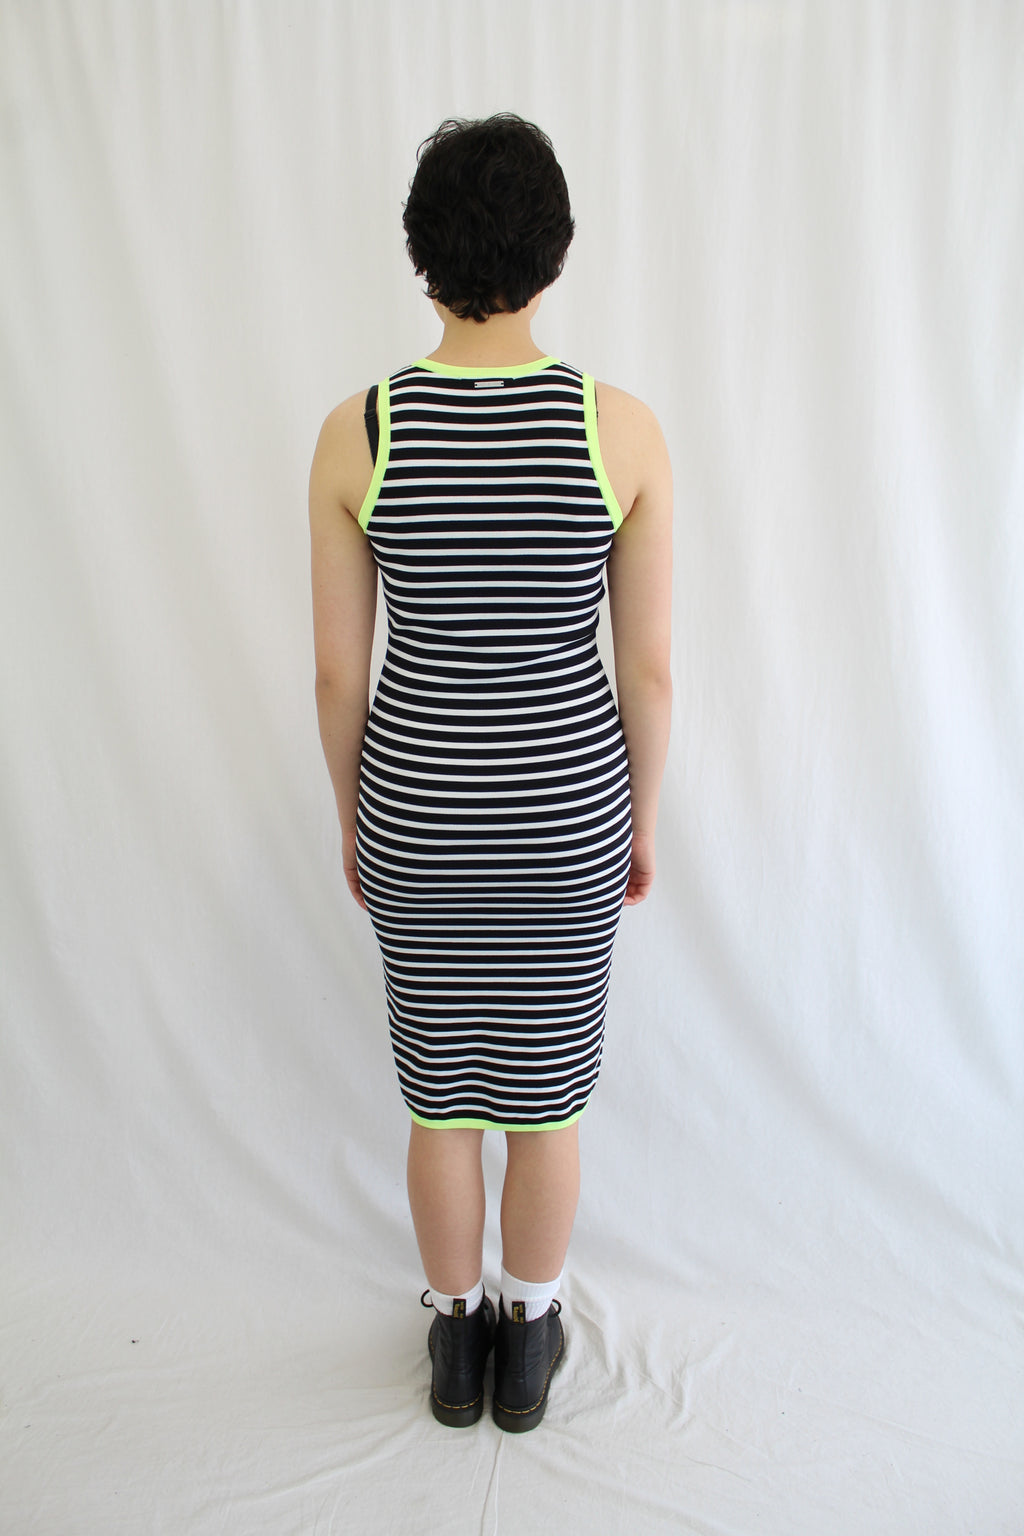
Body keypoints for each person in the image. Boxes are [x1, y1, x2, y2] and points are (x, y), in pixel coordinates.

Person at [309, 114, 672, 1432]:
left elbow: (338, 677)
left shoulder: (360, 433)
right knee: (544, 1109)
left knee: (441, 1105)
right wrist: (639, 820)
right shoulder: (617, 430)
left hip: (416, 812)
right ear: (554, 253)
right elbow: (649, 675)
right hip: (568, 815)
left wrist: (355, 819)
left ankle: (453, 1345)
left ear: (423, 255)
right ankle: (529, 1340)